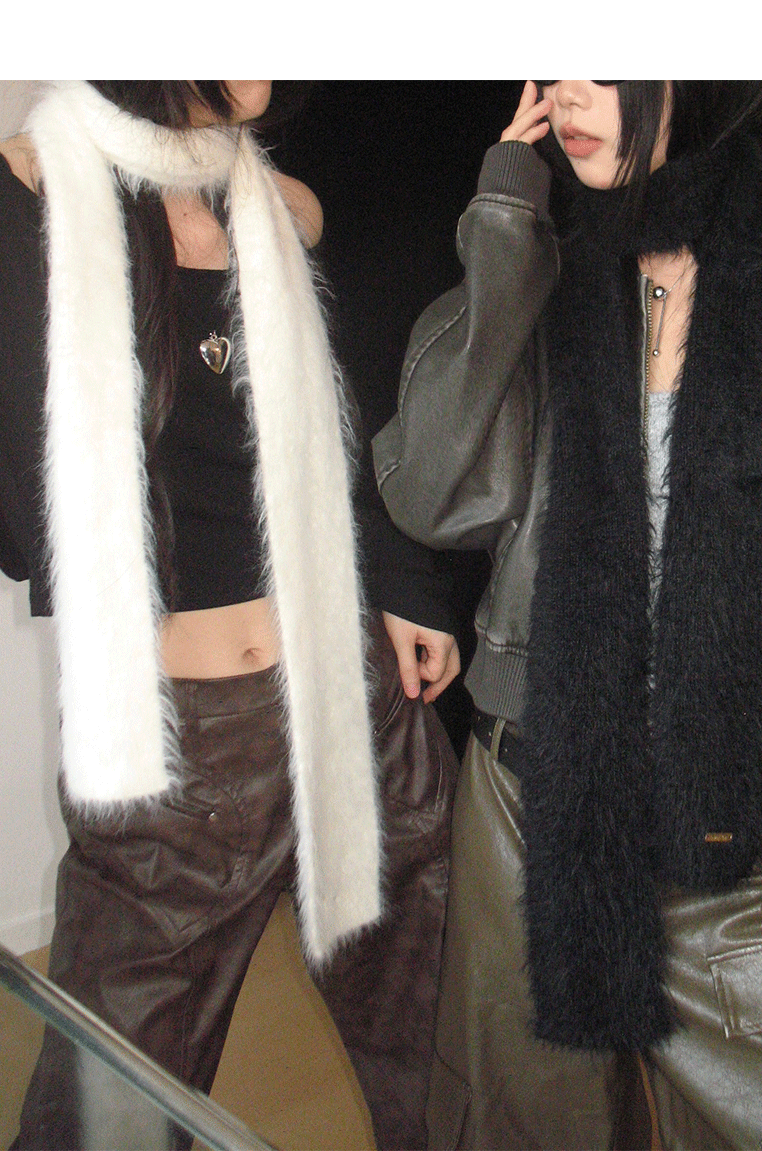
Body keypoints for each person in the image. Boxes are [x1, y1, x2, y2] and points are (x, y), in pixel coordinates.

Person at [0, 80, 458, 1150]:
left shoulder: (284, 206)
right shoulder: (33, 201)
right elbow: (28, 521)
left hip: (356, 707)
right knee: (107, 1109)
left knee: (439, 1061)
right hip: (180, 759)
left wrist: (404, 583)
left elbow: (366, 422)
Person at [373, 80, 762, 1149]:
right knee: (526, 1121)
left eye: (606, 54)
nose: (568, 88)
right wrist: (503, 230)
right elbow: (428, 489)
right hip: (531, 791)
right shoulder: (546, 262)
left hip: (721, 807)